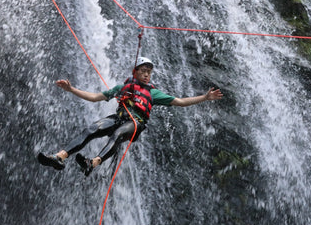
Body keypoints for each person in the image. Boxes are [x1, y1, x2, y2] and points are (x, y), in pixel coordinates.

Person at [38, 57, 223, 176]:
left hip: (136, 123)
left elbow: (180, 102)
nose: (146, 75)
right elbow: (95, 98)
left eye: (149, 72)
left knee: (117, 135)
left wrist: (205, 97)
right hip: (119, 117)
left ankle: (92, 163)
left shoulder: (153, 93)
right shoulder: (122, 88)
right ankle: (60, 157)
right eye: (143, 71)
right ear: (135, 71)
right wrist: (71, 89)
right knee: (92, 129)